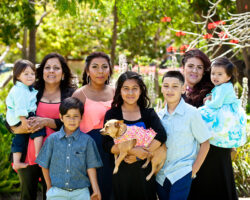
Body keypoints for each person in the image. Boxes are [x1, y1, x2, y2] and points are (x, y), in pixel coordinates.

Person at [7, 53, 76, 200]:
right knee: (27, 195)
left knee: (52, 195)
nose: (51, 71)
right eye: (47, 67)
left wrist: (46, 121)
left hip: (58, 154)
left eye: (56, 68)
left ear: (63, 73)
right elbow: (11, 114)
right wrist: (16, 129)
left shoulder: (70, 94)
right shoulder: (30, 90)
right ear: (42, 71)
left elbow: (73, 122)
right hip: (28, 153)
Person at [102, 71, 167, 200]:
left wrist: (141, 155)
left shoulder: (148, 113)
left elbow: (161, 135)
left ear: (141, 91)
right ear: (119, 90)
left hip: (144, 177)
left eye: (134, 89)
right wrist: (132, 151)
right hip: (120, 177)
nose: (130, 93)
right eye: (126, 88)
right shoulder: (112, 115)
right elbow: (107, 144)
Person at [191, 57, 246, 200]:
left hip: (224, 116)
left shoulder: (224, 87)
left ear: (228, 76)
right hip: (225, 116)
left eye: (219, 74)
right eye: (213, 73)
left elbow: (216, 104)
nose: (215, 77)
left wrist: (206, 104)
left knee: (200, 113)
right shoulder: (221, 87)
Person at [156, 71, 211, 200]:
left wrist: (193, 170)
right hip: (161, 175)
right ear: (162, 89)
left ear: (183, 89)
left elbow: (205, 142)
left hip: (182, 172)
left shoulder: (192, 113)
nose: (170, 90)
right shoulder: (158, 116)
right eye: (166, 86)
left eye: (175, 86)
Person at [36, 97, 102, 200]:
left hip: (81, 193)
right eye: (68, 116)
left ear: (81, 117)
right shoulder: (52, 140)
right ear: (61, 117)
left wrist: (96, 189)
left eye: (76, 116)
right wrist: (49, 187)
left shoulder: (88, 141)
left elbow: (91, 166)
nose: (72, 120)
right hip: (56, 192)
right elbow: (44, 164)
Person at [72, 52, 114, 200]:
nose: (100, 71)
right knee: (93, 192)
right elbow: (71, 126)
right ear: (87, 71)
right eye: (95, 67)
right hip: (88, 150)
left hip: (113, 150)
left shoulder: (115, 92)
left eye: (104, 67)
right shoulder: (79, 94)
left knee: (110, 191)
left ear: (110, 70)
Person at [6, 59, 46, 170]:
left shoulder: (24, 88)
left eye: (32, 74)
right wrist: (23, 121)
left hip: (17, 118)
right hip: (20, 117)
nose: (30, 76)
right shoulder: (20, 90)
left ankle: (17, 162)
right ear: (18, 76)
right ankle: (38, 154)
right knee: (38, 128)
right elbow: (20, 106)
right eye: (26, 74)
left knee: (20, 138)